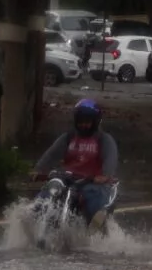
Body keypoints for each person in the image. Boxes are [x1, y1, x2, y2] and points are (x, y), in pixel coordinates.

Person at [31, 98, 118, 230]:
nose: (84, 125)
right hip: (68, 178)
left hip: (92, 183)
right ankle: (35, 219)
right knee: (48, 192)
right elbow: (51, 155)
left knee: (93, 202)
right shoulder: (68, 137)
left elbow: (110, 159)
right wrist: (38, 169)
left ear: (95, 121)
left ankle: (97, 233)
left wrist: (105, 176)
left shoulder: (104, 140)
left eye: (87, 122)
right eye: (81, 121)